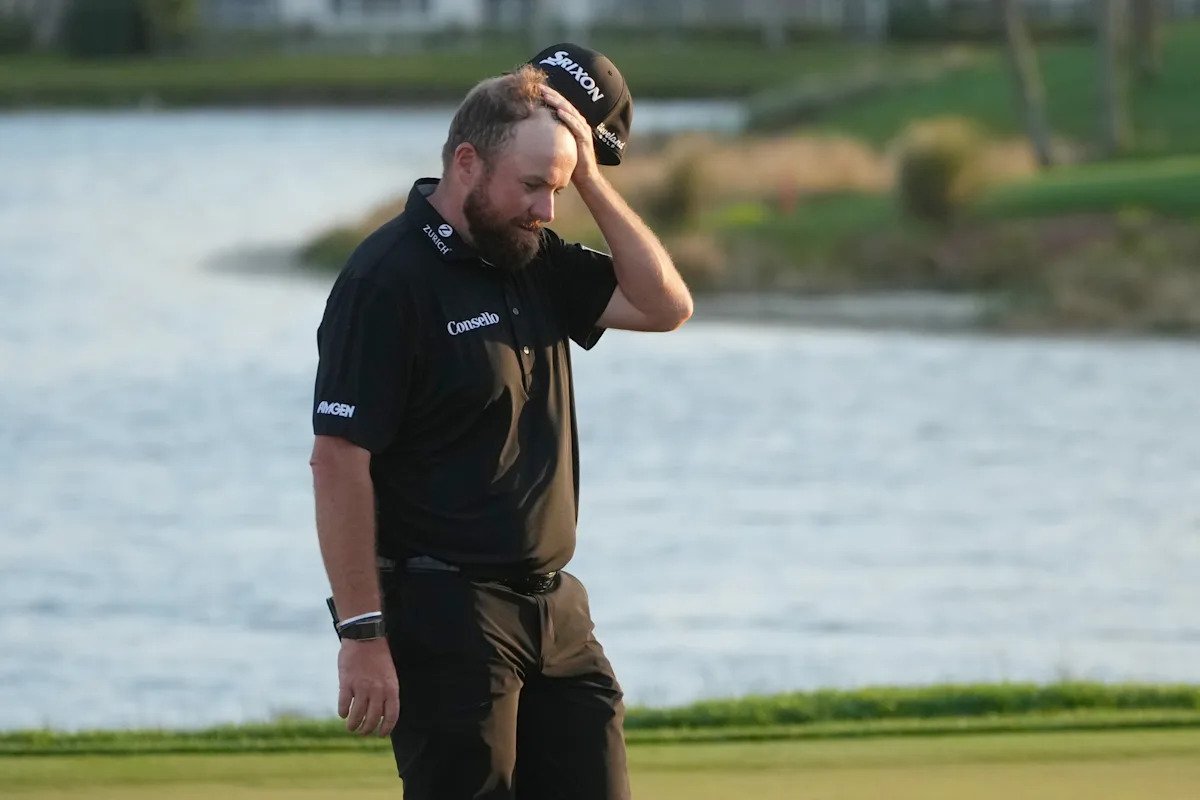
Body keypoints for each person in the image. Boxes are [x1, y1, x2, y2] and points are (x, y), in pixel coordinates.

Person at [309, 43, 692, 800]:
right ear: (466, 164)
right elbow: (338, 460)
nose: (546, 211)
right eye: (532, 186)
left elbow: (665, 306)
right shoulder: (385, 280)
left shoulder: (531, 255)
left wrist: (587, 177)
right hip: (447, 615)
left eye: (558, 190)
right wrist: (361, 633)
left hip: (557, 611)